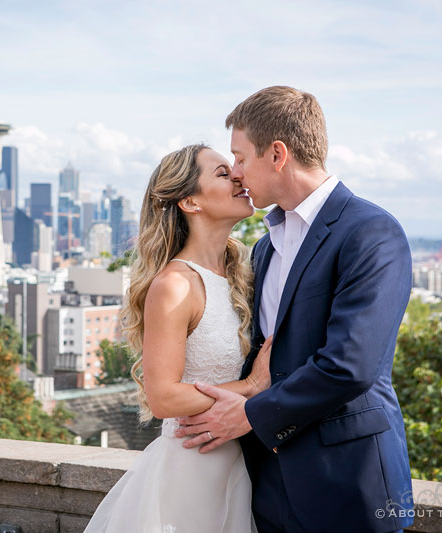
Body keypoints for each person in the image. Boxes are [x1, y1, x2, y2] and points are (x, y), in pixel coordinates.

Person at [175, 86, 415, 532]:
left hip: (346, 483)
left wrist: (248, 414)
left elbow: (351, 365)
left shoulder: (371, 232)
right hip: (264, 487)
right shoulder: (264, 248)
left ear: (278, 154)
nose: (238, 172)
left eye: (241, 157)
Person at [85, 144, 272, 532]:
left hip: (240, 467)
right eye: (223, 173)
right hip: (191, 471)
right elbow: (164, 397)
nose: (239, 175)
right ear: (190, 201)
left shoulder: (246, 271)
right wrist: (252, 386)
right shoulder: (174, 285)